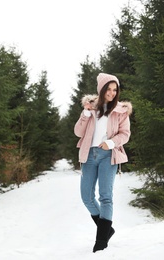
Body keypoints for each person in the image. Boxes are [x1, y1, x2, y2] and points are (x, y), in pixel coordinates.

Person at [74, 73, 132, 253]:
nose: (113, 93)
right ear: (101, 89)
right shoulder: (91, 109)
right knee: (86, 197)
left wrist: (111, 142)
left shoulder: (121, 110)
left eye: (115, 90)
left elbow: (125, 134)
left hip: (109, 155)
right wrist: (84, 113)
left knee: (105, 196)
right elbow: (78, 132)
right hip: (89, 155)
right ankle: (107, 228)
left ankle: (101, 241)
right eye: (109, 89)